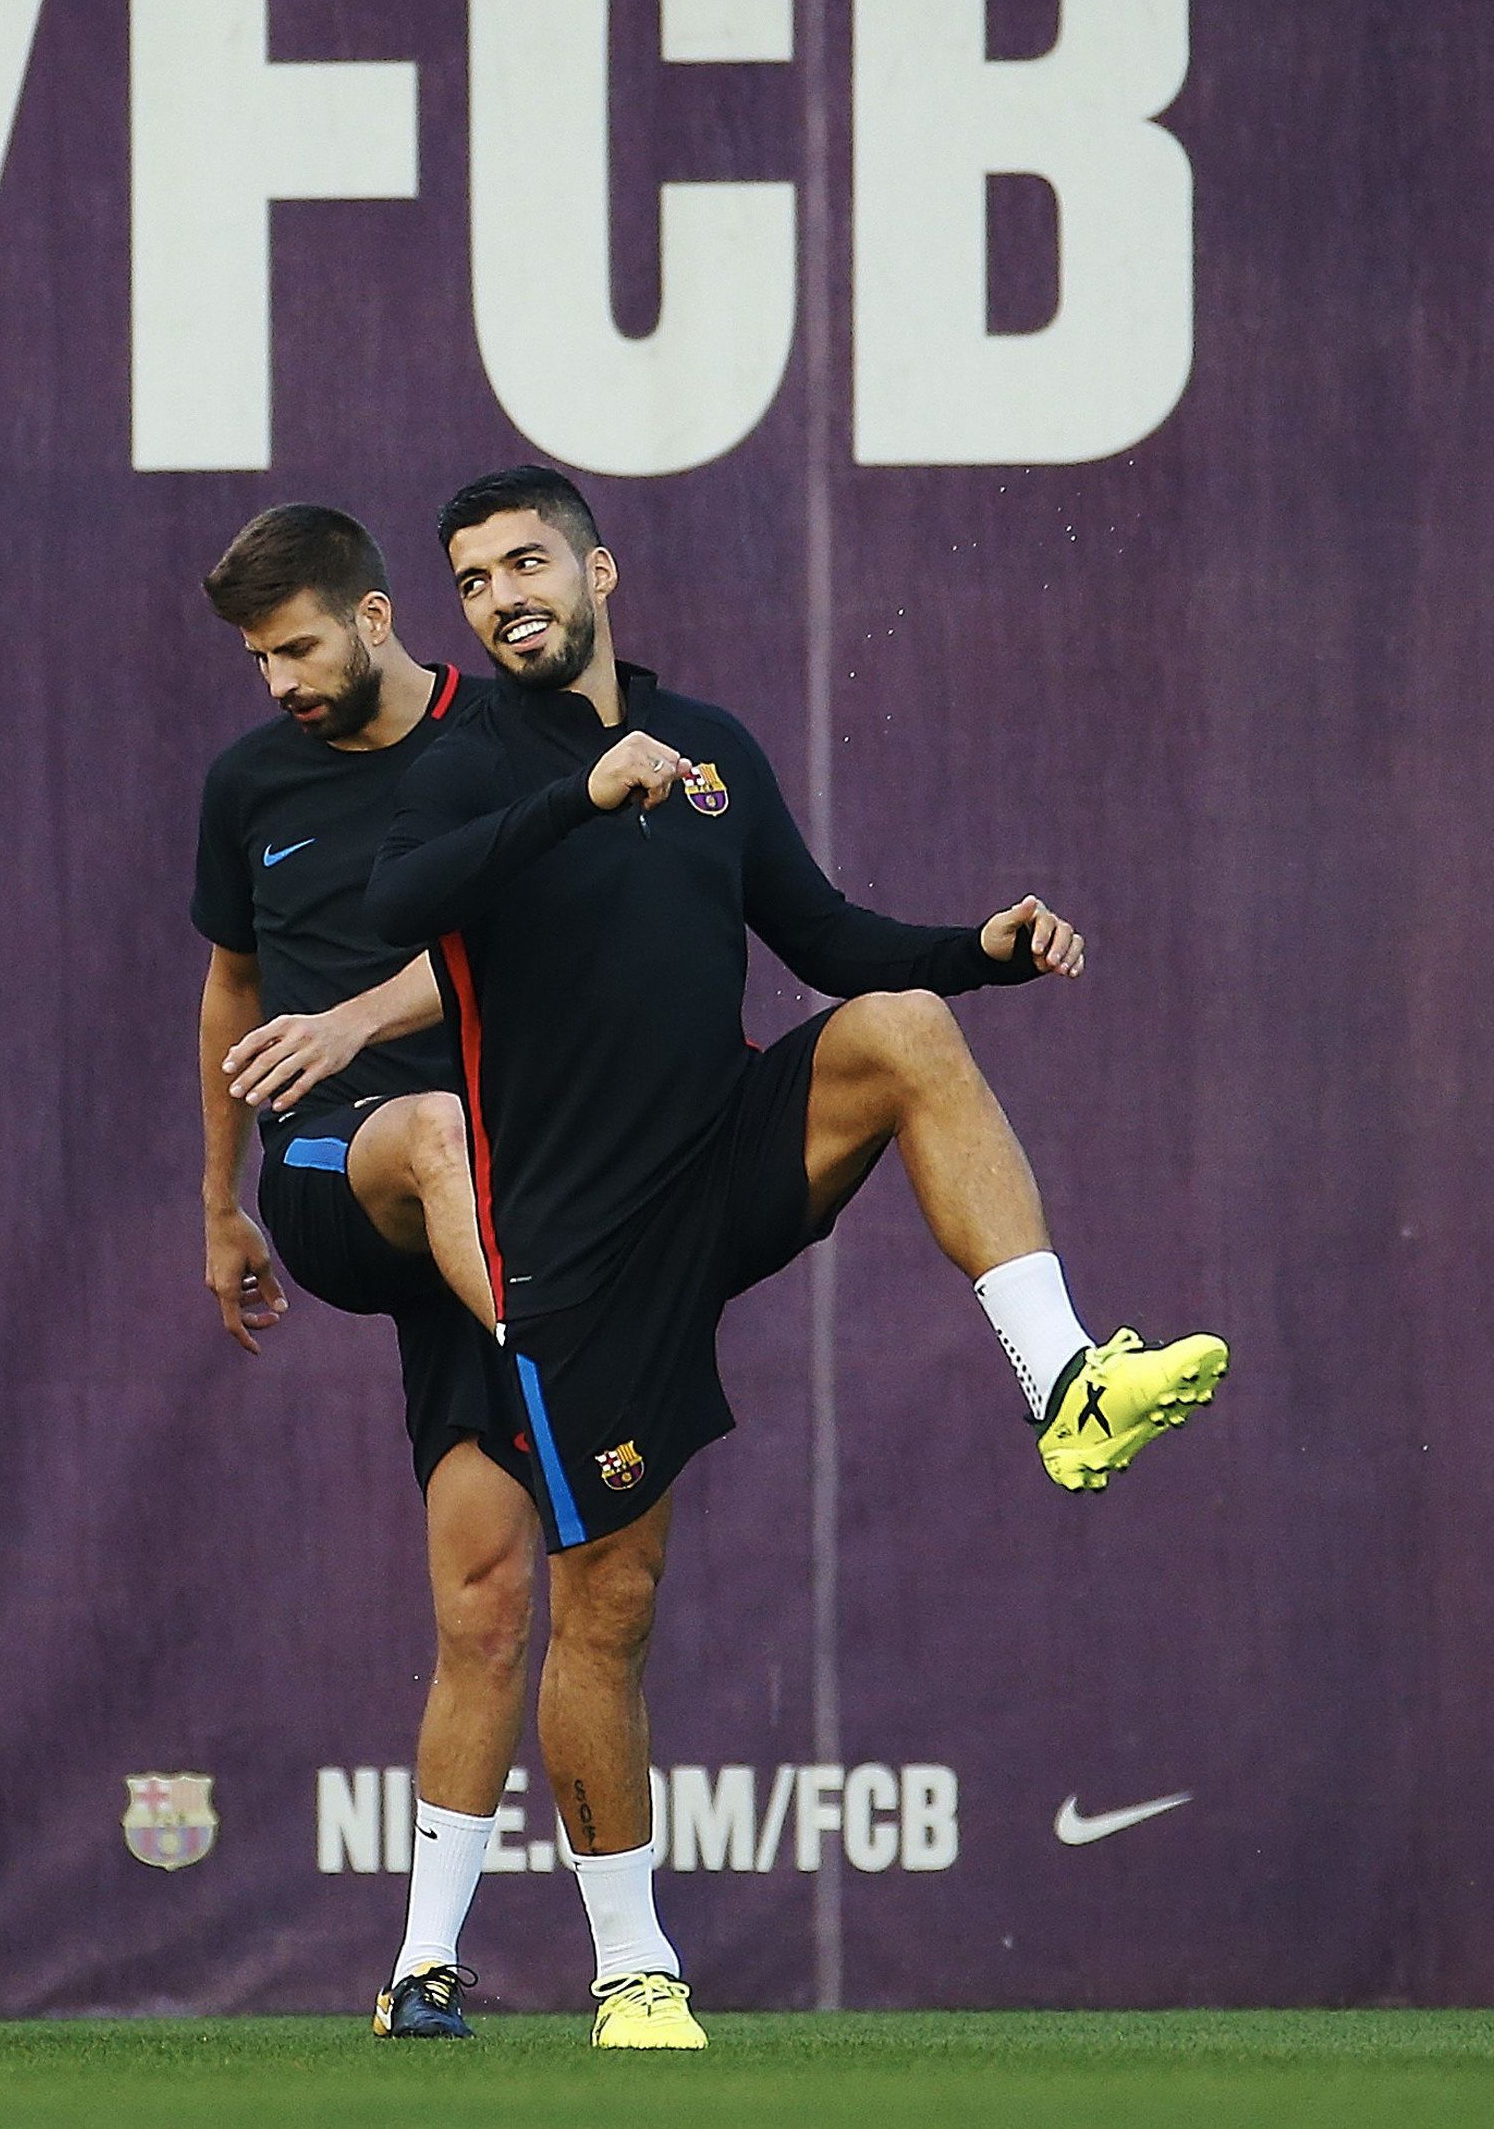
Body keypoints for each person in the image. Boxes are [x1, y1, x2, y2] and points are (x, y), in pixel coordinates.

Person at [366, 464, 1230, 2050]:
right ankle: (634, 1966)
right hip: (573, 1240)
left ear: (599, 569)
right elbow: (393, 900)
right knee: (606, 1605)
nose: (503, 597)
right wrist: (573, 797)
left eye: (528, 561)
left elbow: (822, 938)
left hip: (725, 1151)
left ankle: (1068, 1385)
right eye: (475, 580)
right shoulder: (462, 760)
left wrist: (979, 951)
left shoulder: (715, 750)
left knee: (901, 1028)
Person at [192, 503, 537, 2044]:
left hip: (496, 1193)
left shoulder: (499, 745)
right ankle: (575, 1352)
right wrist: (220, 1207)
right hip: (342, 1172)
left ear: (381, 616)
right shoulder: (247, 783)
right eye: (260, 659)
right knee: (428, 1124)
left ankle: (419, 1973)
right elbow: (232, 992)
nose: (278, 682)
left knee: (491, 1601)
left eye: (299, 646)